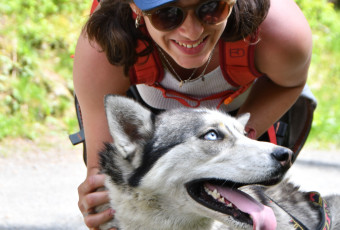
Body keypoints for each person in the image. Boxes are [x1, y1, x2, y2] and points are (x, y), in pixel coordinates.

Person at [73, 0, 316, 228]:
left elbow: (288, 83)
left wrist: (240, 138)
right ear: (136, 8)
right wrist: (103, 204)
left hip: (254, 102)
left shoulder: (280, 32)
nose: (192, 31)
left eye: (211, 7)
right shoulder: (102, 45)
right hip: (141, 105)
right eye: (167, 14)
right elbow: (102, 179)